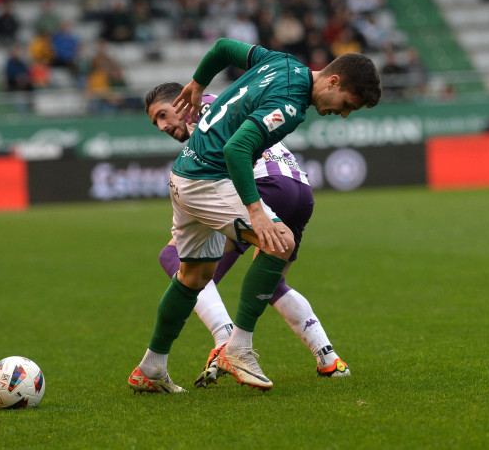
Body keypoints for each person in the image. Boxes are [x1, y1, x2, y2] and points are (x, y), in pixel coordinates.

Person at [128, 38, 380, 393]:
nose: (342, 113)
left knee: (194, 276)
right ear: (333, 82)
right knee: (280, 242)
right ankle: (238, 349)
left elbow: (222, 47)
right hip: (208, 181)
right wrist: (256, 211)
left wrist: (198, 82)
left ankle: (151, 367)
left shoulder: (282, 61)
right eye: (346, 105)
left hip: (184, 176)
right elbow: (238, 148)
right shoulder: (292, 105)